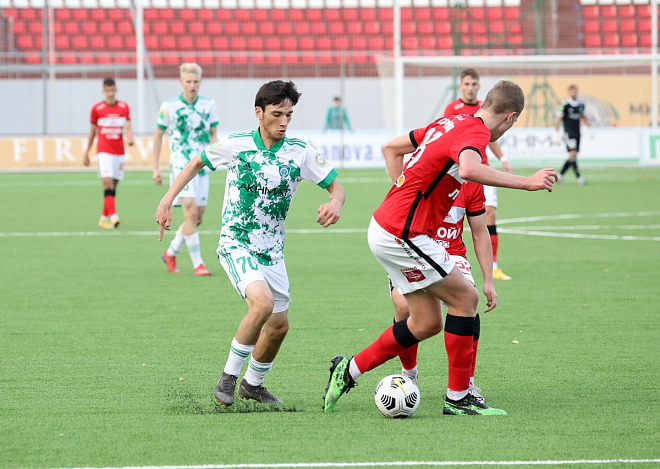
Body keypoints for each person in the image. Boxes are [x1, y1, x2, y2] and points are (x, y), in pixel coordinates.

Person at [322, 80, 557, 415]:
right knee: (467, 299)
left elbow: (393, 147)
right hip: (403, 231)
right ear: (510, 117)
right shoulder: (476, 133)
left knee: (427, 322)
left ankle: (348, 370)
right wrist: (527, 182)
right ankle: (458, 398)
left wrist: (404, 191)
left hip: (388, 227)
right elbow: (470, 168)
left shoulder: (448, 122)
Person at [156, 80, 346, 405]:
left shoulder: (300, 151)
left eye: (289, 115)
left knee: (279, 327)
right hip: (236, 242)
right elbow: (197, 161)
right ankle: (228, 379)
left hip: (272, 251)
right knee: (262, 304)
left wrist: (336, 203)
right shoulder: (236, 144)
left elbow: (336, 188)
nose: (284, 122)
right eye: (277, 114)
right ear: (259, 112)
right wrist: (167, 199)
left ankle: (252, 384)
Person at [389, 180, 495, 404]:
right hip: (412, 250)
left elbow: (479, 232)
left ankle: (466, 384)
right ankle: (409, 372)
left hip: (451, 253)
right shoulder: (423, 171)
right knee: (404, 306)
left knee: (468, 301)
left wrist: (488, 280)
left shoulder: (471, 181)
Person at [444, 68, 513, 281]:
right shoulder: (452, 108)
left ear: (479, 86)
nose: (470, 88)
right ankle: (446, 261)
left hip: (482, 169)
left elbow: (490, 136)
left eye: (474, 84)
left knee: (489, 213)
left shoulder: (485, 108)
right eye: (467, 84)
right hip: (459, 171)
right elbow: (448, 135)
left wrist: (502, 158)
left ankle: (494, 267)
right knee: (450, 218)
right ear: (461, 86)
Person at [153, 63, 218, 276]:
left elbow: (213, 133)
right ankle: (198, 264)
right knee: (190, 212)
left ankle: (170, 253)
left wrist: (214, 154)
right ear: (181, 81)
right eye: (188, 81)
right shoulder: (169, 106)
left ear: (200, 82)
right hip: (181, 163)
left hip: (202, 163)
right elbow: (158, 136)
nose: (192, 85)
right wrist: (156, 167)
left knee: (197, 218)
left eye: (196, 81)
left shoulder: (209, 104)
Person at [83, 77, 133, 229]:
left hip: (119, 151)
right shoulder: (96, 109)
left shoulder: (124, 107)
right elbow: (92, 132)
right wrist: (86, 152)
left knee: (113, 186)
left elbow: (128, 125)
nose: (110, 93)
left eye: (112, 90)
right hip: (104, 151)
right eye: (107, 91)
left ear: (116, 90)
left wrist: (130, 137)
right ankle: (114, 215)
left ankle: (103, 217)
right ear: (103, 91)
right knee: (106, 182)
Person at [554, 84, 592, 185]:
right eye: (571, 91)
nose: (573, 93)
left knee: (573, 156)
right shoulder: (563, 104)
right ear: (569, 92)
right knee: (573, 154)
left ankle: (560, 176)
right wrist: (556, 133)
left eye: (575, 91)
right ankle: (579, 178)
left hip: (577, 132)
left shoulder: (580, 104)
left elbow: (583, 116)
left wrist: (590, 128)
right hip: (568, 132)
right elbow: (558, 118)